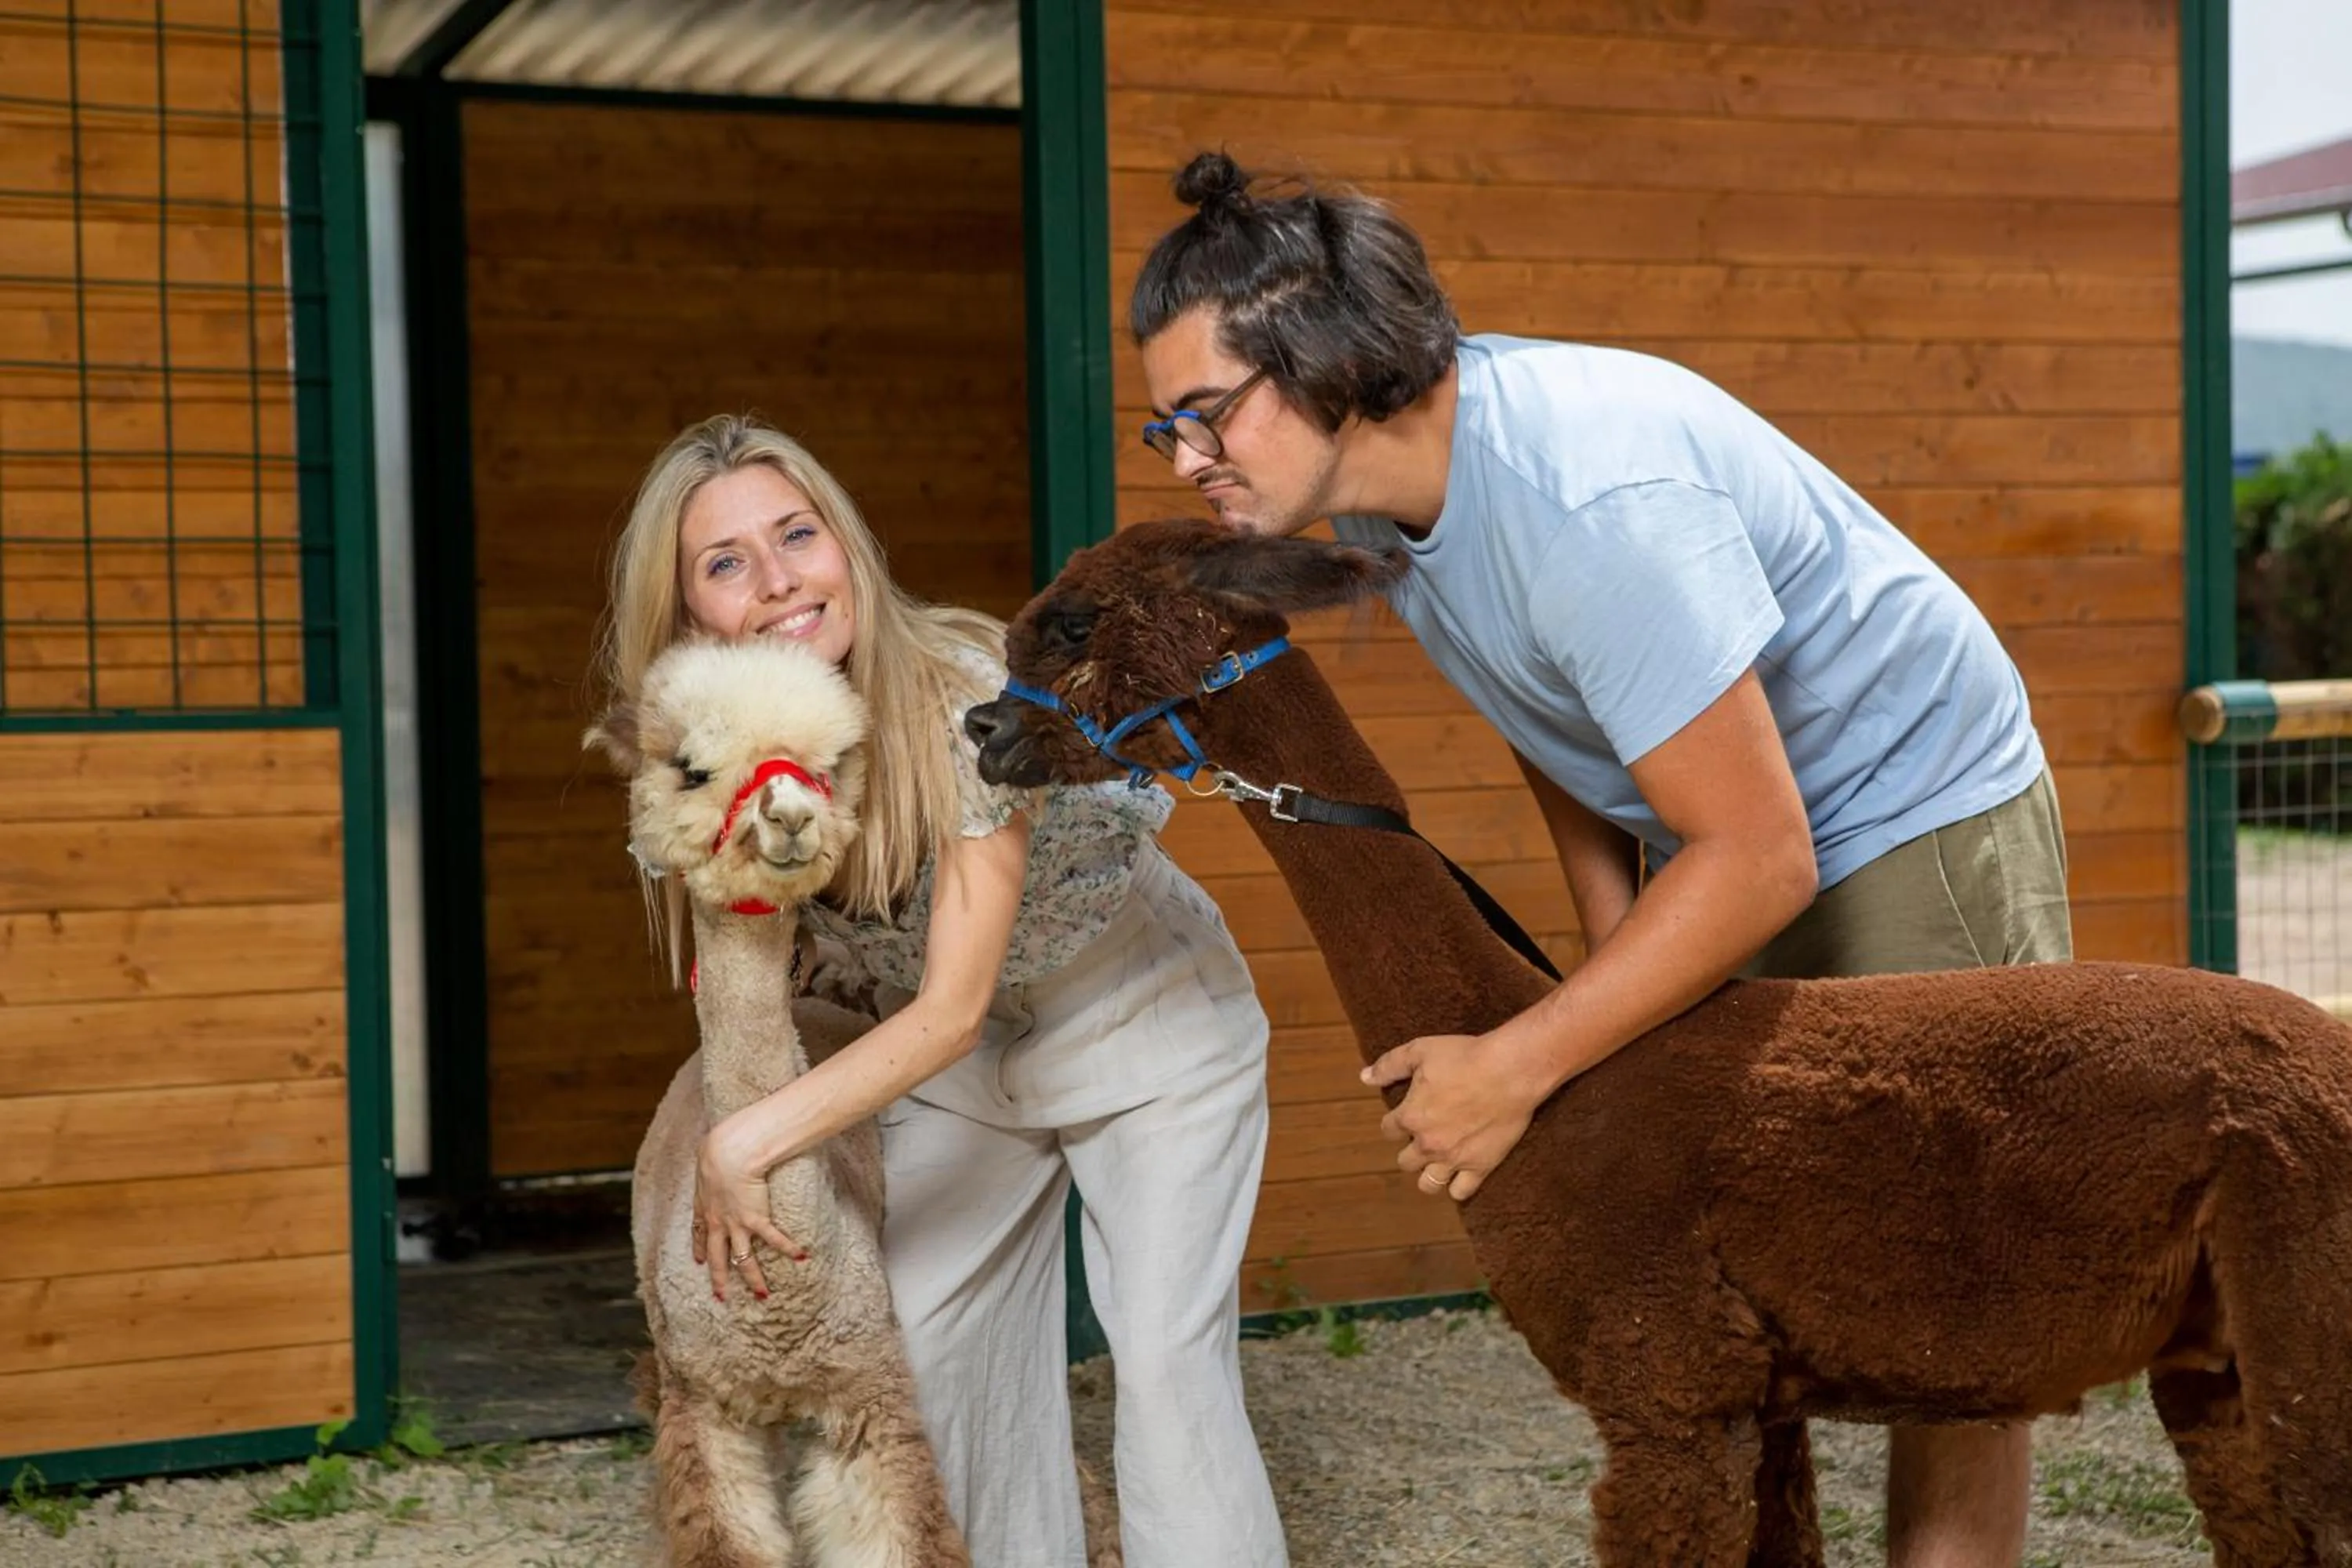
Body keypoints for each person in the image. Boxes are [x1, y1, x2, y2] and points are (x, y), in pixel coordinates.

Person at [1127, 153, 2073, 1568]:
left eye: (1207, 415)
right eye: (1165, 431)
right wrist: (1608, 966)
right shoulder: (1390, 500)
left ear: (1329, 362)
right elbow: (1554, 710)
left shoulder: (1589, 505)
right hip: (1734, 827)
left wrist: (1519, 1063)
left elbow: (1760, 858)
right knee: (1753, 1227)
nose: (1189, 459)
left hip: (1909, 802)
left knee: (1943, 1283)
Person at [592, 414, 1288, 1568]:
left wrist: (746, 1140)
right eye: (726, 564)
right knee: (927, 1350)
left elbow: (951, 1004)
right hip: (958, 1069)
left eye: (796, 534)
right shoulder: (707, 754)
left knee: (1165, 1363)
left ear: (846, 544)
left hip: (1135, 1018)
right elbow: (768, 984)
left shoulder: (971, 701)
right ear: (686, 618)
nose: (777, 582)